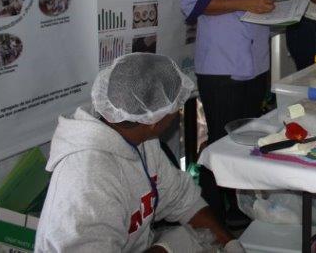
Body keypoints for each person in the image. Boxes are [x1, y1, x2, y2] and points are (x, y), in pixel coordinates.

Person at [34, 53, 242, 252]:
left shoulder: (141, 138)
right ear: (154, 122)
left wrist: (230, 243)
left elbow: (182, 199)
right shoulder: (88, 181)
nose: (178, 110)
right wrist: (166, 249)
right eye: (176, 106)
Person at [180, 0, 297, 224]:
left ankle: (241, 210)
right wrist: (247, 3)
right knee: (221, 144)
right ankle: (213, 218)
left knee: (248, 142)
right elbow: (192, 3)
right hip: (222, 64)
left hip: (256, 61)